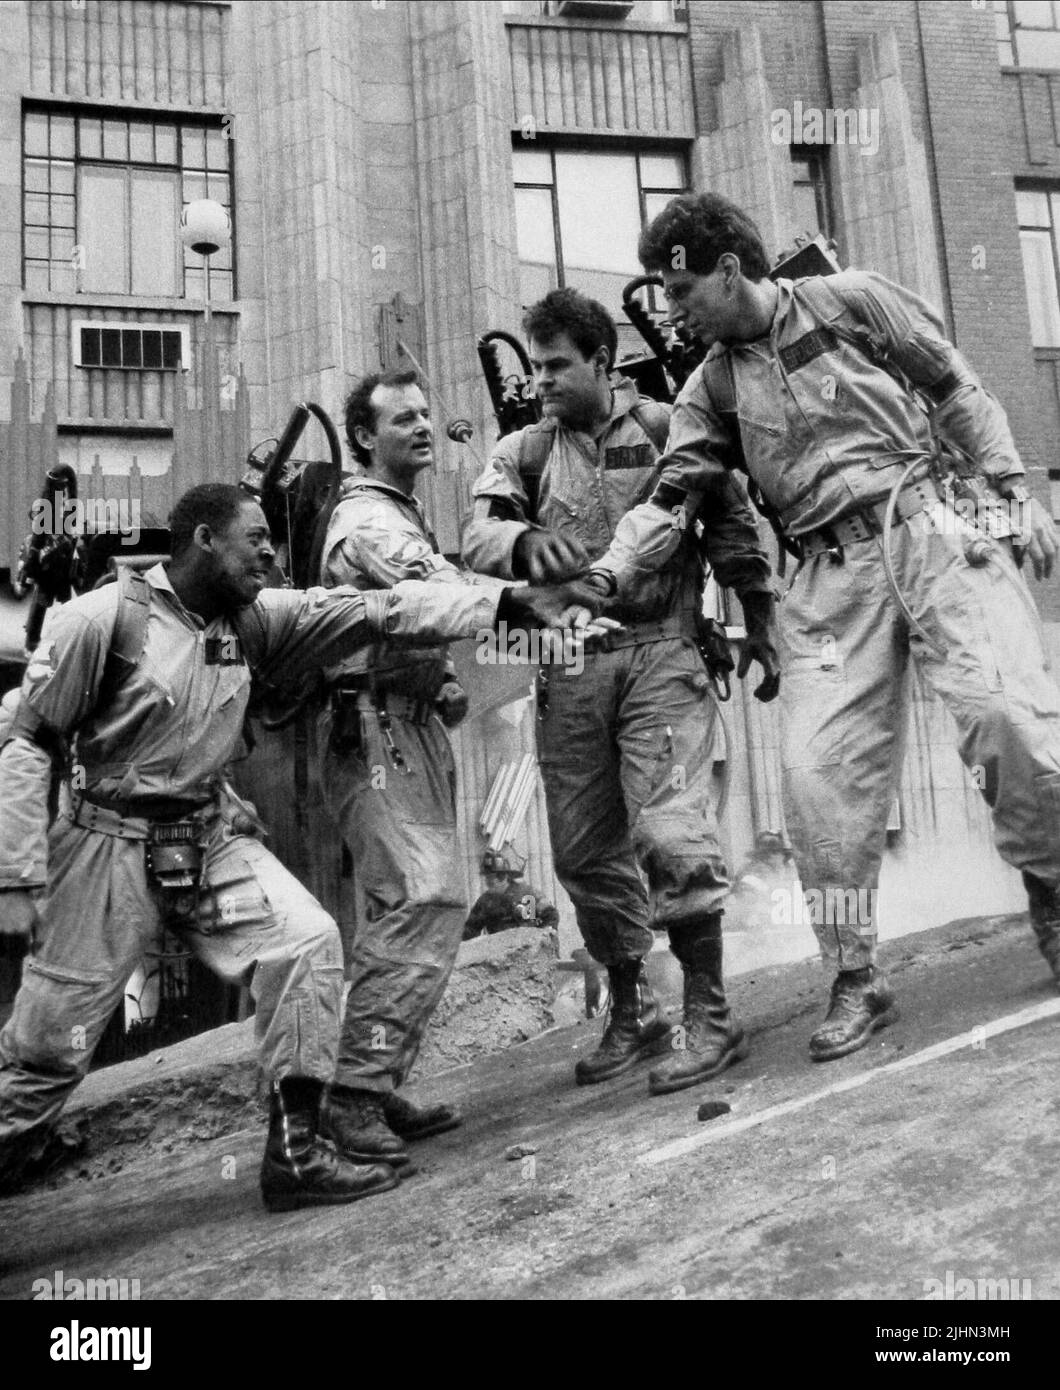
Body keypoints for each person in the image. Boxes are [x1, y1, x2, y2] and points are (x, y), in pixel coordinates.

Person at [0, 482, 588, 1206]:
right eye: (254, 538)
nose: (270, 551)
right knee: (46, 1056)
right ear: (204, 539)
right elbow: (27, 742)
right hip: (104, 846)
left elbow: (378, 609)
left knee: (307, 941)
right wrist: (16, 877)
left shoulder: (253, 621)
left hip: (204, 836)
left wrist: (505, 604)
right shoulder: (101, 620)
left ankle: (296, 1154)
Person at [586, 192, 1060, 1062]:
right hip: (826, 577)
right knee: (814, 785)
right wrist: (607, 574)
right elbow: (670, 499)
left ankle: (1053, 882)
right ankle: (855, 974)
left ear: (730, 270)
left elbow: (954, 385)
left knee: (1006, 717)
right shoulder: (709, 391)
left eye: (682, 291)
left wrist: (1012, 489)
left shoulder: (852, 301)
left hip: (932, 525)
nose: (675, 312)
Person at [462, 288, 780, 1095]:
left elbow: (729, 520)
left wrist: (759, 617)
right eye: (535, 366)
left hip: (661, 651)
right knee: (582, 852)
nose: (540, 380)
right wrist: (523, 542)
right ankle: (634, 1010)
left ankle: (709, 1012)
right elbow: (478, 535)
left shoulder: (669, 427)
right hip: (570, 667)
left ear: (601, 362)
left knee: (670, 830)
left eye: (556, 365)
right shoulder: (524, 451)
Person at [316, 368, 515, 1170]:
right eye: (404, 419)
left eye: (427, 414)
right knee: (425, 899)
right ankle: (354, 1097)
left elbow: (407, 627)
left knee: (397, 908)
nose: (425, 427)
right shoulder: (366, 519)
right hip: (373, 730)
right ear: (366, 438)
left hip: (404, 722)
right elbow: (429, 591)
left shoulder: (398, 511)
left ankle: (374, 1077)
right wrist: (520, 597)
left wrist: (441, 679)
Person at [463, 852, 560, 940]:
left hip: (528, 946)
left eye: (493, 877)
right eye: (488, 878)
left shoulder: (527, 894)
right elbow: (470, 929)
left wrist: (544, 936)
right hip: (499, 949)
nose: (490, 882)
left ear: (504, 877)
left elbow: (551, 915)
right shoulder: (485, 902)